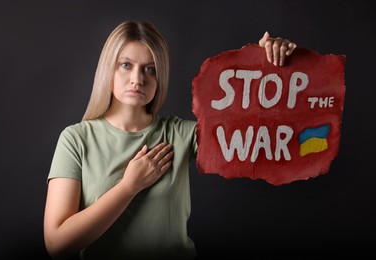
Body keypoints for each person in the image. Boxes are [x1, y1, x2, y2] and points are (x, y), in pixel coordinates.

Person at [43, 20, 297, 259]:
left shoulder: (181, 135)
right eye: (126, 65)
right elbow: (57, 245)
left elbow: (265, 133)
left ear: (160, 77)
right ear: (108, 68)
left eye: (149, 69)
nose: (137, 79)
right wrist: (129, 186)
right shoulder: (76, 139)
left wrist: (270, 66)